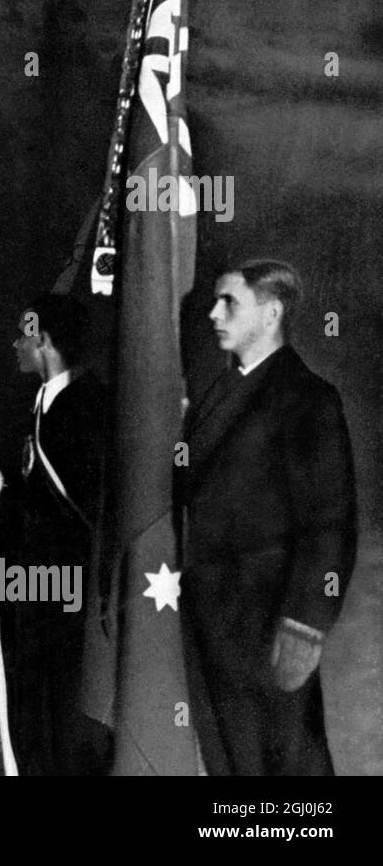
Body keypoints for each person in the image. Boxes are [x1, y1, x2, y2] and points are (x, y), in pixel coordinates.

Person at [180, 260, 356, 775]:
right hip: (212, 616)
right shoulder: (215, 395)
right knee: (231, 763)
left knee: (288, 768)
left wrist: (306, 626)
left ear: (272, 312)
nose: (214, 313)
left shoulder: (309, 399)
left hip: (269, 620)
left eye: (229, 302)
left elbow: (331, 525)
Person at [0, 293, 111, 774]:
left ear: (44, 341)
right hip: (35, 570)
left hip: (69, 573)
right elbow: (35, 488)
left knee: (61, 691)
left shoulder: (87, 403)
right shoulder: (40, 401)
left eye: (23, 336)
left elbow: (81, 501)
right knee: (30, 688)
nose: (14, 344)